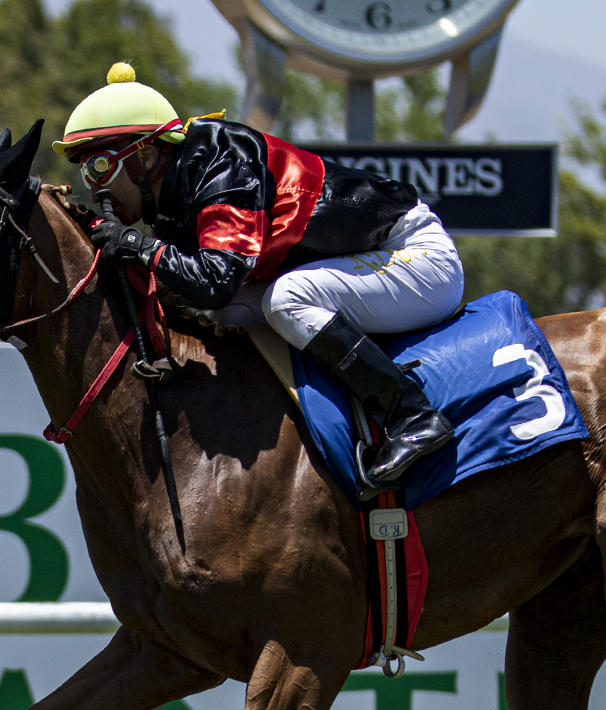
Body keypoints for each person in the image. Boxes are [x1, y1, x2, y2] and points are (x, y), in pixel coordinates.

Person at [53, 63, 464, 487]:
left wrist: (141, 247)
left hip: (417, 259)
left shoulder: (223, 165)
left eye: (99, 166)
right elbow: (195, 291)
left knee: (286, 299)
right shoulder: (174, 190)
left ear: (145, 155)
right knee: (232, 313)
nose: (94, 186)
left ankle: (411, 415)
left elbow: (214, 282)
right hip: (377, 260)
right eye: (84, 171)